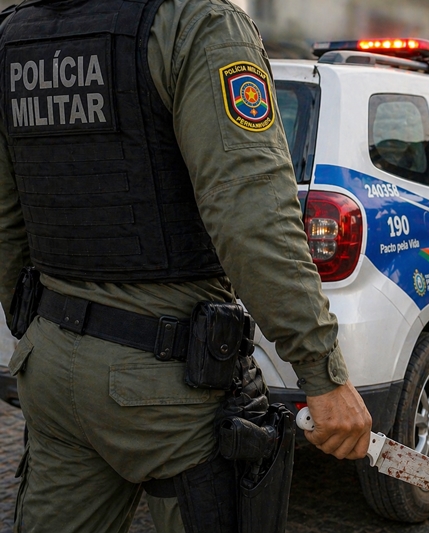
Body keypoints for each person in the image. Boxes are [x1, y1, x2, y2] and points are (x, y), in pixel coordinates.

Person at [0, 0, 372, 531]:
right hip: (165, 377)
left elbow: (6, 219)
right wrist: (320, 371)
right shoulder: (195, 22)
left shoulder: (14, 34)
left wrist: (33, 323)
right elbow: (252, 213)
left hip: (50, 358)